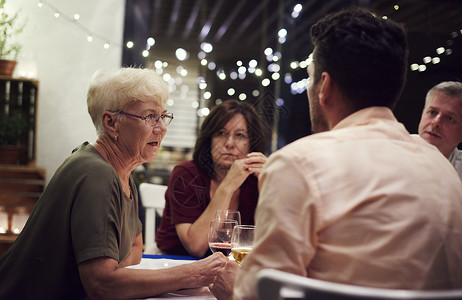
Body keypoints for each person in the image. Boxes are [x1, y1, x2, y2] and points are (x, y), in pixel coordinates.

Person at [210, 7, 462, 300]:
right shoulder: (443, 168)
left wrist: (233, 291)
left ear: (324, 86)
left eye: (310, 77)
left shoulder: (297, 164)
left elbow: (259, 295)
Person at [0, 67, 227, 299]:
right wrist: (193, 274)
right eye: (150, 117)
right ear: (111, 122)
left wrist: (112, 269)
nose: (162, 128)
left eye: (163, 116)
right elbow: (102, 285)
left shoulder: (123, 172)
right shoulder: (96, 174)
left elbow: (136, 250)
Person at [156, 99, 268, 257]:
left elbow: (276, 244)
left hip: (235, 269)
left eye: (240, 135)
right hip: (177, 264)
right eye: (221, 134)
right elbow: (195, 246)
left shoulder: (254, 181)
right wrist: (228, 185)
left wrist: (272, 184)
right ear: (209, 140)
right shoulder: (186, 174)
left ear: (251, 144)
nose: (229, 143)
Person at [418, 81, 462, 180]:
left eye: (450, 118)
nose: (436, 122)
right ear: (422, 114)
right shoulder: (392, 150)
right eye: (432, 112)